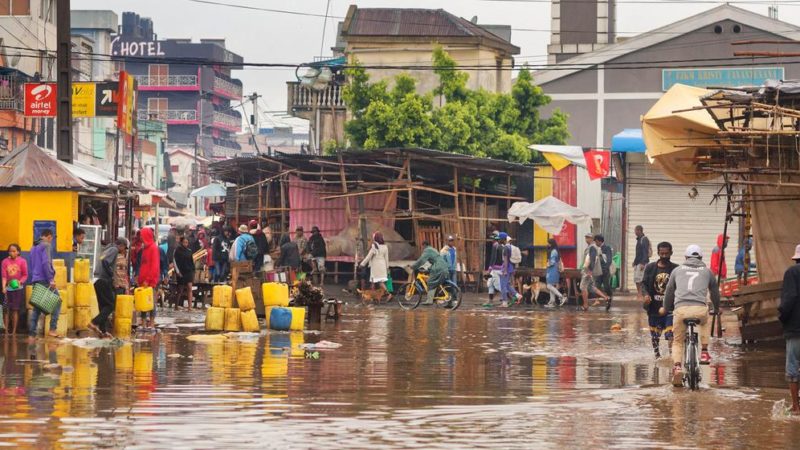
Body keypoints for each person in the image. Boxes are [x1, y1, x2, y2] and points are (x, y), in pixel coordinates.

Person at [663, 244, 721, 387]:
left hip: (681, 309)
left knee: (677, 341)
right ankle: (705, 351)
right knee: (705, 320)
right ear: (701, 258)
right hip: (700, 309)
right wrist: (717, 308)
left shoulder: (677, 270)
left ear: (686, 258)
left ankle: (677, 367)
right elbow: (715, 293)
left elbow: (669, 292)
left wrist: (666, 308)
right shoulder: (707, 272)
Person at [642, 242, 679, 359]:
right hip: (654, 308)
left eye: (666, 254)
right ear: (658, 253)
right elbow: (644, 284)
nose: (664, 256)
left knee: (671, 335)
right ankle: (657, 356)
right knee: (655, 336)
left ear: (671, 253)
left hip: (670, 309)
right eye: (661, 253)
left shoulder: (676, 269)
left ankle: (673, 358)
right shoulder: (650, 268)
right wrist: (646, 295)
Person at [89, 238, 128, 338]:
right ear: (122, 245)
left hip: (96, 279)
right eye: (124, 248)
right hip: (103, 279)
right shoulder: (114, 250)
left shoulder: (107, 249)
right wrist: (111, 275)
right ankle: (94, 322)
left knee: (103, 306)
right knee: (111, 305)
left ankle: (103, 331)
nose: (124, 251)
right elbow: (105, 262)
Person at [28, 229, 61, 340]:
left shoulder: (33, 247)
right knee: (57, 301)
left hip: (36, 279)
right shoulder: (46, 245)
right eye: (51, 239)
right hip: (44, 280)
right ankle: (52, 329)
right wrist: (51, 279)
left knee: (37, 307)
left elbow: (32, 264)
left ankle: (32, 334)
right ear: (49, 237)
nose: (51, 241)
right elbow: (46, 262)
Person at [779, 244, 800, 415]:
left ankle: (796, 407)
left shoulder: (792, 273)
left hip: (795, 328)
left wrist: (782, 317)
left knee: (793, 368)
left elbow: (789, 298)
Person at [411, 240, 449, 305]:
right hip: (444, 266)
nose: (422, 248)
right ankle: (435, 298)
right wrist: (428, 269)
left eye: (422, 246)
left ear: (424, 245)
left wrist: (413, 266)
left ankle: (429, 300)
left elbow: (421, 260)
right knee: (436, 282)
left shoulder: (427, 250)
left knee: (430, 281)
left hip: (438, 267)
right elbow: (433, 261)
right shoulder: (433, 249)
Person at [2, 244, 28, 335]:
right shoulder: (5, 262)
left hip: (18, 289)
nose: (11, 253)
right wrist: (4, 287)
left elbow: (25, 275)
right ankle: (6, 331)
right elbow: (4, 276)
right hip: (8, 289)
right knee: (6, 310)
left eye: (14, 251)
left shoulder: (22, 261)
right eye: (10, 251)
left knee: (15, 310)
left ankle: (13, 332)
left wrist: (19, 282)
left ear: (18, 252)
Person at [137, 227, 160, 329]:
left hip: (150, 282)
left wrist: (148, 280)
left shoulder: (153, 248)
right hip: (143, 281)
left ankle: (151, 322)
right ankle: (143, 323)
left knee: (151, 302)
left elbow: (154, 266)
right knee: (143, 303)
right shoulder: (145, 248)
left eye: (142, 236)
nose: (140, 238)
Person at [580, 232, 609, 311]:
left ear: (592, 239)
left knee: (583, 287)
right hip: (588, 270)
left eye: (588, 237)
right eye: (586, 237)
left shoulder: (592, 247)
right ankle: (606, 298)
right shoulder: (591, 247)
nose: (586, 239)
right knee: (591, 287)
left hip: (588, 270)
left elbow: (593, 259)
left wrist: (590, 270)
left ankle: (585, 305)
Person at [359, 231, 391, 298]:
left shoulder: (374, 247)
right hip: (382, 265)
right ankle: (379, 296)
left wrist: (362, 264)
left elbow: (368, 257)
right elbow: (386, 259)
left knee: (376, 281)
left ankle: (386, 295)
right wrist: (387, 268)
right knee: (379, 282)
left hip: (376, 267)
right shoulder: (385, 247)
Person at [497, 233, 522, 308]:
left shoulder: (505, 248)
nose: (498, 240)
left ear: (503, 239)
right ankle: (518, 295)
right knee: (507, 284)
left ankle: (505, 302)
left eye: (499, 238)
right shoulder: (509, 247)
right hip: (510, 268)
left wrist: (504, 270)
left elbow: (505, 260)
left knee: (503, 286)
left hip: (506, 268)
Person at [173, 237, 195, 310]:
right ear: (181, 242)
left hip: (189, 272)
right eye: (184, 242)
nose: (185, 244)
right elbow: (174, 261)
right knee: (180, 290)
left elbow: (192, 262)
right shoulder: (177, 251)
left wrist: (193, 270)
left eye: (187, 242)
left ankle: (190, 306)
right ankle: (176, 305)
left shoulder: (189, 251)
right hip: (181, 272)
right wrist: (178, 271)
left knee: (189, 287)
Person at [483, 233, 503, 308]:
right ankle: (490, 300)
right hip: (496, 269)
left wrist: (489, 269)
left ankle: (506, 298)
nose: (492, 240)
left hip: (495, 269)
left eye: (492, 239)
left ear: (495, 239)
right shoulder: (500, 246)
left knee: (497, 286)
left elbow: (493, 258)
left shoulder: (495, 246)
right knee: (490, 284)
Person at [594, 234, 614, 311]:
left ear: (599, 241)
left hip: (605, 271)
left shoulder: (607, 248)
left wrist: (605, 268)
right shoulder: (595, 248)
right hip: (598, 271)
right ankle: (597, 300)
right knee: (597, 285)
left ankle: (609, 297)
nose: (595, 243)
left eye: (596, 241)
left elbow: (609, 259)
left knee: (606, 286)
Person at [545, 238, 565, 307]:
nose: (547, 244)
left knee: (549, 285)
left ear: (551, 244)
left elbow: (552, 262)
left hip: (553, 269)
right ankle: (552, 302)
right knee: (551, 285)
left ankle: (561, 297)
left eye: (548, 243)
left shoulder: (553, 251)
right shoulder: (555, 250)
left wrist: (547, 264)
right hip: (552, 269)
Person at [633, 225, 652, 298]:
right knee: (637, 279)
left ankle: (640, 294)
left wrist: (643, 263)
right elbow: (638, 253)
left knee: (640, 279)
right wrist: (635, 262)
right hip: (638, 263)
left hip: (642, 263)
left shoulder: (644, 239)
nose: (634, 232)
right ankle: (639, 294)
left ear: (639, 231)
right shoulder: (639, 239)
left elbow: (645, 252)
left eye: (635, 230)